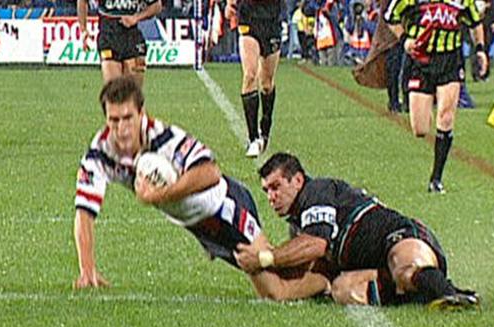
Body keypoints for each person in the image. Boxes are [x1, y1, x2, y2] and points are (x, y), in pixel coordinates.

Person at [73, 77, 331, 301]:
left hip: (226, 207)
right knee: (273, 280)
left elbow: (210, 172)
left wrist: (159, 195)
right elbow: (84, 211)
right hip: (199, 226)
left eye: (128, 117)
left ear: (142, 113)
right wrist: (87, 269)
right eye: (113, 120)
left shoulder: (167, 139)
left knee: (276, 291)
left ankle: (329, 276)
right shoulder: (99, 154)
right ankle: (317, 267)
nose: (121, 128)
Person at [234, 152, 480, 309]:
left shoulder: (316, 191)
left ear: (297, 180)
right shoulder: (298, 226)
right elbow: (310, 270)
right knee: (341, 290)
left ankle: (453, 294)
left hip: (401, 236)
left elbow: (316, 245)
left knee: (405, 270)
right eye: (266, 191)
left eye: (276, 187)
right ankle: (416, 294)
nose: (271, 196)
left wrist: (266, 258)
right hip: (378, 265)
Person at [383, 0, 488, 194]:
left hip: (450, 60)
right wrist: (405, 39)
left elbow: (475, 23)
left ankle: (436, 178)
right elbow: (390, 17)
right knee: (420, 129)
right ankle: (427, 106)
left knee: (446, 117)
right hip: (420, 62)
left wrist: (480, 50)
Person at [224, 0, 282, 158]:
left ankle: (265, 128)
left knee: (267, 83)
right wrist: (230, 4)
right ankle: (253, 138)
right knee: (250, 75)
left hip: (271, 21)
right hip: (248, 18)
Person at [77, 0, 162, 87]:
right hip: (108, 36)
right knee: (113, 90)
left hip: (132, 37)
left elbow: (156, 6)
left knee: (133, 92)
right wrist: (83, 29)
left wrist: (136, 18)